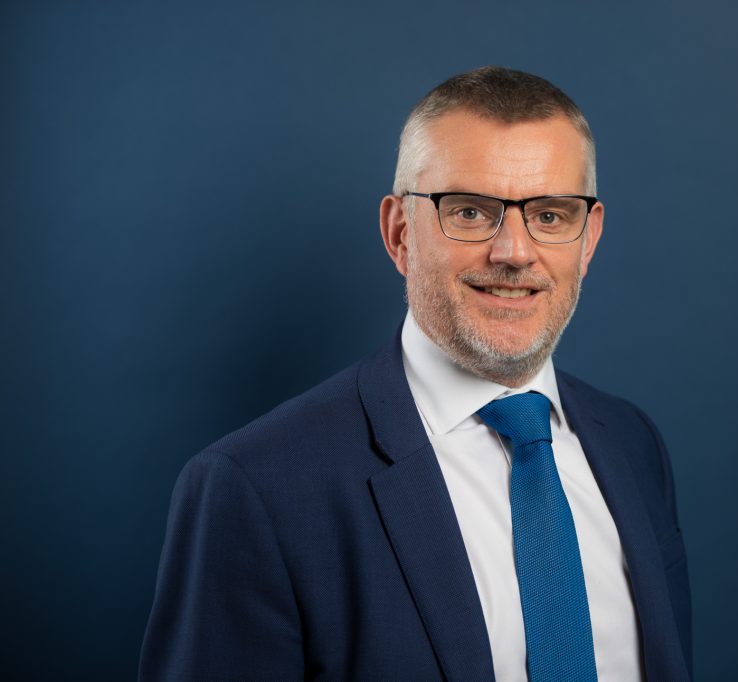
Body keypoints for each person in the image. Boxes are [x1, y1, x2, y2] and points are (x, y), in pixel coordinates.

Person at [139, 66, 692, 682]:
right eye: (471, 213)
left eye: (551, 215)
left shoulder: (632, 444)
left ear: (587, 240)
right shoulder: (254, 488)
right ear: (400, 233)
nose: (513, 251)